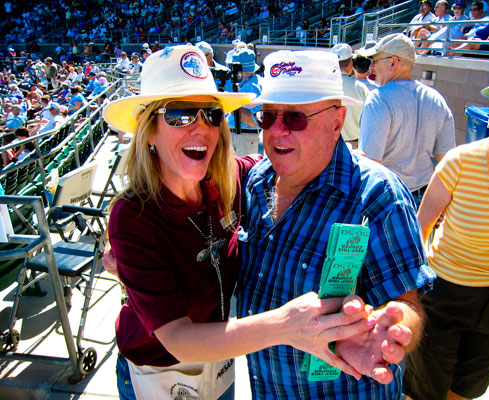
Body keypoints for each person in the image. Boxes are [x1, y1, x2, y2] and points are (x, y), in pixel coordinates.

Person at [102, 45, 375, 400]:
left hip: (221, 360)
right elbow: (180, 340)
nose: (200, 129)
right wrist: (285, 326)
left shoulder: (229, 180)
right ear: (148, 130)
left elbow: (286, 161)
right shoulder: (134, 217)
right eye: (181, 115)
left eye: (212, 115)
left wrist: (351, 162)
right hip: (158, 370)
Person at [236, 49, 436, 399]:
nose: (278, 131)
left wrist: (391, 329)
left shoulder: (378, 197)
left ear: (336, 121)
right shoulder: (256, 181)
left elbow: (407, 305)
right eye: (267, 116)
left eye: (296, 117)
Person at [403, 51, 489, 400]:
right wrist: (408, 301)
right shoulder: (461, 162)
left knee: (466, 390)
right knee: (425, 390)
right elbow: (419, 231)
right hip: (443, 292)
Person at [359, 33, 456, 206]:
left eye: (375, 61)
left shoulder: (379, 99)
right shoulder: (436, 98)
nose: (372, 67)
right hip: (424, 197)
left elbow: (370, 162)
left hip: (388, 198)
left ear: (393, 62)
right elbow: (447, 159)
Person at [226, 48, 263, 156]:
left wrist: (231, 105)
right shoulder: (248, 83)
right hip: (240, 135)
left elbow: (252, 121)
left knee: (243, 172)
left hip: (245, 137)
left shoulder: (252, 86)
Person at [330, 43, 367, 148]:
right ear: (351, 63)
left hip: (329, 144)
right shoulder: (361, 88)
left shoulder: (325, 87)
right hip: (355, 144)